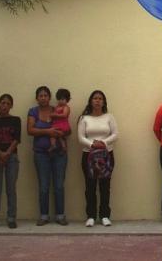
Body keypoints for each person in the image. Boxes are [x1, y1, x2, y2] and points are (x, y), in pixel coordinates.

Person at [27, 85, 67, 225]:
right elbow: (30, 130)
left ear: (50, 97)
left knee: (59, 186)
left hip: (59, 153)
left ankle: (60, 215)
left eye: (45, 95)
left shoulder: (57, 110)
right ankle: (44, 216)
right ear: (37, 98)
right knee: (43, 186)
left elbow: (67, 127)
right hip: (41, 154)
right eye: (40, 95)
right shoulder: (33, 111)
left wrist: (63, 133)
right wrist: (48, 132)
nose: (43, 98)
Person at [77, 90, 118, 227]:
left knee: (105, 185)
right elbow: (81, 137)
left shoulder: (109, 117)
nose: (97, 100)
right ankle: (91, 216)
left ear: (104, 102)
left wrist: (104, 143)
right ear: (90, 101)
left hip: (106, 156)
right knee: (90, 186)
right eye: (95, 98)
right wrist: (92, 144)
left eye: (100, 98)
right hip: (88, 155)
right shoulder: (84, 118)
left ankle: (105, 215)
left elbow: (115, 134)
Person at [0, 93, 21, 229]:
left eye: (8, 103)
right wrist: (0, 153)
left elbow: (17, 139)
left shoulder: (16, 120)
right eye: (2, 103)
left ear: (11, 106)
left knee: (11, 189)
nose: (5, 106)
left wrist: (6, 153)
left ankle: (11, 217)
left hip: (11, 158)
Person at [50, 88, 71, 152]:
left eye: (62, 99)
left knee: (58, 136)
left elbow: (65, 115)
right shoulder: (56, 107)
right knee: (55, 136)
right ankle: (54, 145)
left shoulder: (66, 107)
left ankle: (62, 146)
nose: (60, 101)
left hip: (63, 125)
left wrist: (55, 115)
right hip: (56, 124)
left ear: (67, 100)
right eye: (59, 99)